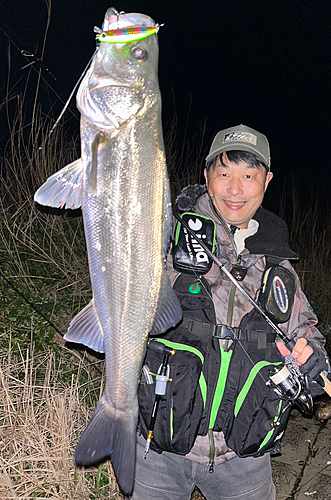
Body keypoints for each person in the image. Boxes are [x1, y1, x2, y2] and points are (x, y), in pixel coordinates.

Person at [132, 124, 330, 500]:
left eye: (249, 176)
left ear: (266, 181)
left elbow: (308, 333)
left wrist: (312, 357)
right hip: (158, 444)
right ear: (207, 176)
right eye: (224, 174)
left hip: (242, 457)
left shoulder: (278, 266)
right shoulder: (164, 237)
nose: (235, 190)